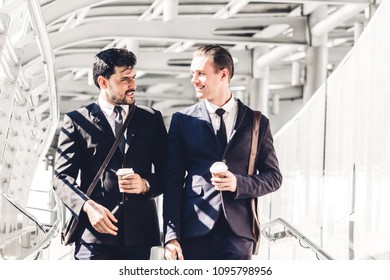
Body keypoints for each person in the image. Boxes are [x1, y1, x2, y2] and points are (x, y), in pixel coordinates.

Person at [163, 44, 282, 260]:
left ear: (223, 74)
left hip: (238, 233)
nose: (194, 80)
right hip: (194, 229)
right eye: (193, 73)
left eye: (201, 73)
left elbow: (274, 177)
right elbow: (172, 181)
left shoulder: (256, 122)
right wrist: (171, 236)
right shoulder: (182, 120)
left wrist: (239, 183)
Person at [53, 48, 167, 260]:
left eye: (133, 77)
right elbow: (61, 178)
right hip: (93, 236)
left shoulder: (151, 119)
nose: (133, 85)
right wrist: (87, 206)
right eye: (125, 79)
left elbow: (168, 174)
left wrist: (145, 185)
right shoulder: (77, 121)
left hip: (139, 236)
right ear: (103, 82)